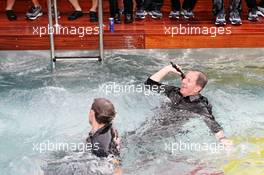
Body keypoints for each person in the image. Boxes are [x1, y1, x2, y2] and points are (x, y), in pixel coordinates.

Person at [144, 64, 233, 147]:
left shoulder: (199, 105)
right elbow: (149, 84)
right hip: (148, 128)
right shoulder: (172, 91)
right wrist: (167, 69)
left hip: (165, 137)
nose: (183, 81)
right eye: (184, 78)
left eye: (188, 80)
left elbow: (212, 123)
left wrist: (222, 139)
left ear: (196, 88)